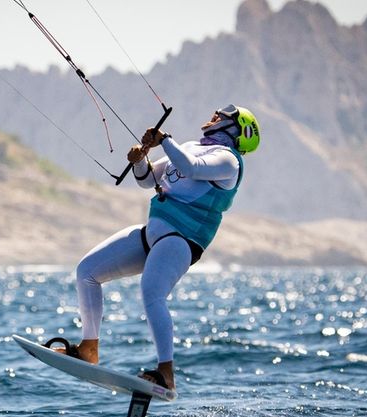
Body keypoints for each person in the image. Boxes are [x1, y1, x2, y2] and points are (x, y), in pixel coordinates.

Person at [52, 104, 260, 391]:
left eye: (221, 116)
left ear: (234, 129)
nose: (213, 115)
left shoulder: (230, 162)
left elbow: (190, 168)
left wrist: (163, 140)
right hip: (152, 233)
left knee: (152, 293)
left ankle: (166, 372)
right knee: (86, 271)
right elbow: (148, 179)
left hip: (180, 240)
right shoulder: (189, 147)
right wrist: (140, 160)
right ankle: (88, 348)